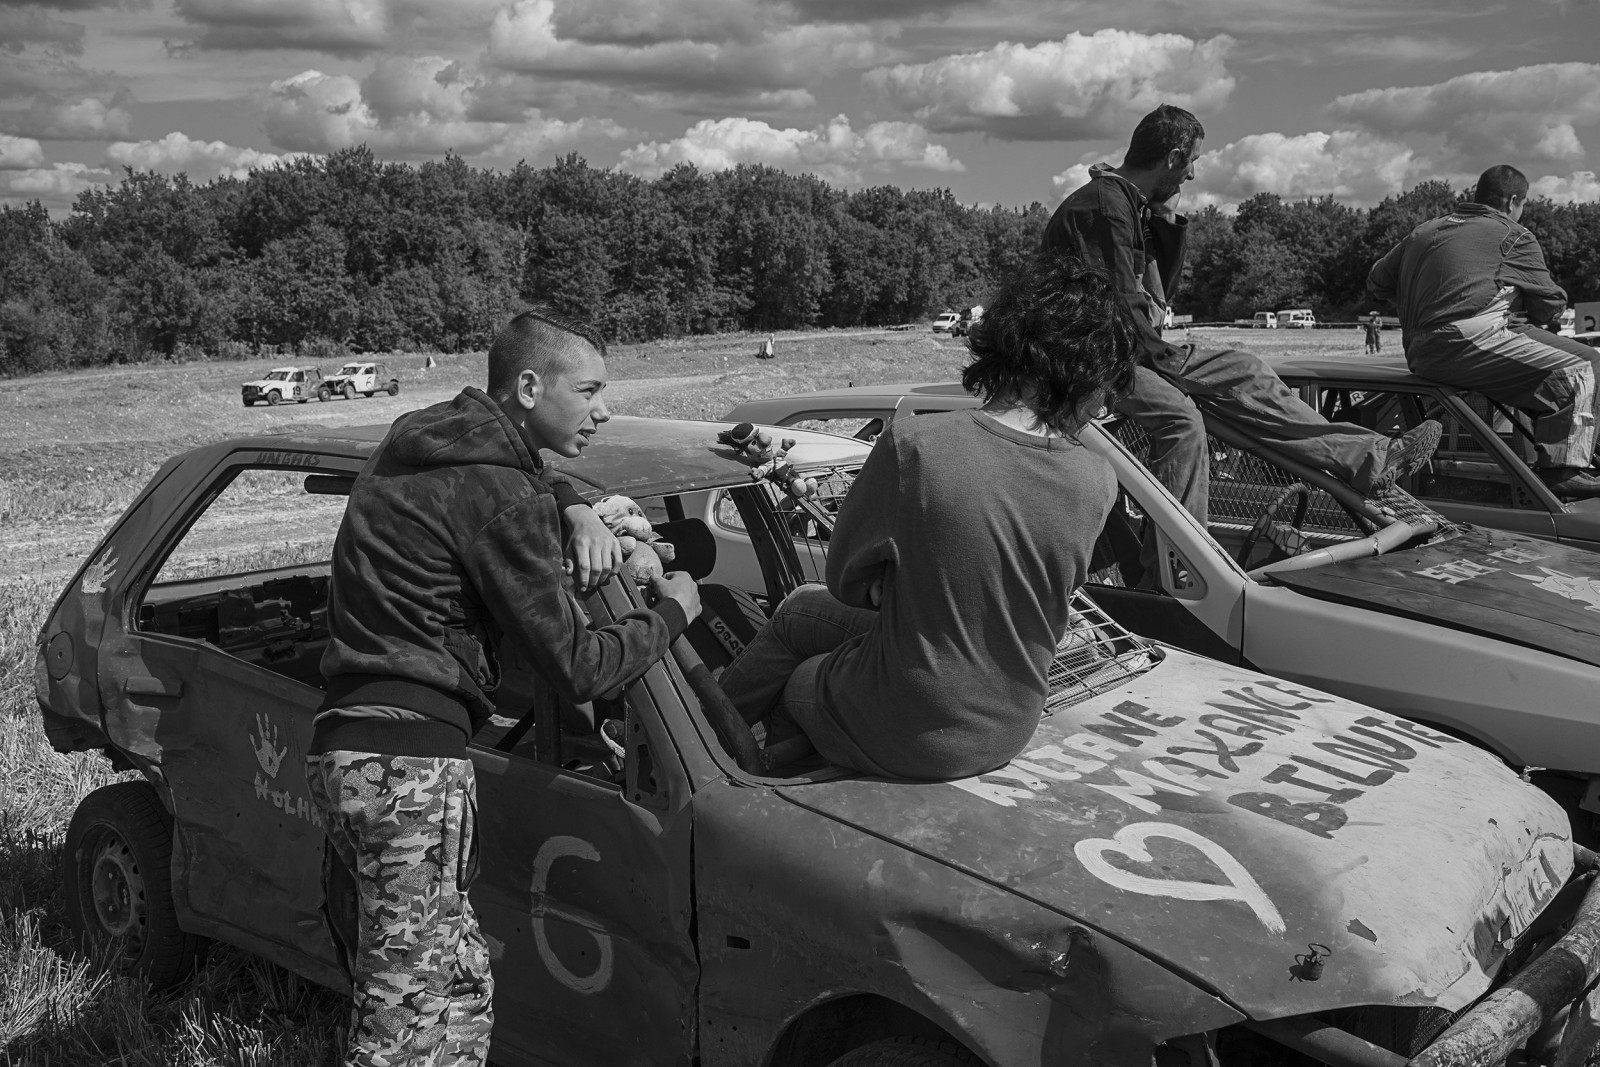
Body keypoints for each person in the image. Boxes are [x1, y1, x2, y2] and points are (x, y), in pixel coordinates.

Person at [309, 308, 702, 1066]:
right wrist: (674, 612)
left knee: (454, 988)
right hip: (412, 770)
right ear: (528, 385)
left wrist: (575, 502)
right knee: (405, 1020)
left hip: (346, 749)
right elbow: (580, 666)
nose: (604, 408)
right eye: (588, 390)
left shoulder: (416, 440)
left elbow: (515, 473)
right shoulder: (505, 498)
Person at [717, 254, 1133, 780]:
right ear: (1081, 374)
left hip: (915, 730)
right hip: (1008, 726)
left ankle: (713, 758)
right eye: (1107, 385)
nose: (1104, 402)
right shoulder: (1097, 479)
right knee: (801, 608)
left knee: (801, 675)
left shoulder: (916, 446)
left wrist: (902, 581)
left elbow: (846, 583)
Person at [1041, 104, 1442, 525]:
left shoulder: (1126, 204)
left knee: (1243, 375)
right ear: (1174, 158)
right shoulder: (1105, 207)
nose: (1192, 176)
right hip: (1093, 357)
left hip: (1122, 348)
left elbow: (1159, 298)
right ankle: (1179, 564)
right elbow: (1118, 309)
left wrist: (1166, 221)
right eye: (1192, 162)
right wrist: (1169, 362)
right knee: (1185, 420)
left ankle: (1371, 459)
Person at [1368, 165, 1600, 499]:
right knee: (1585, 364)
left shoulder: (1423, 231)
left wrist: (1421, 302)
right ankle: (1563, 472)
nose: (1521, 213)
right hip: (1466, 343)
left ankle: (1546, 429)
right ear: (1512, 201)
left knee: (1545, 382)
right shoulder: (1514, 235)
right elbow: (1548, 305)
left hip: (1418, 351)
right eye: (1523, 206)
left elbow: (1377, 282)